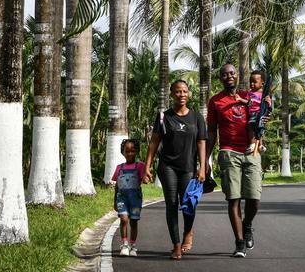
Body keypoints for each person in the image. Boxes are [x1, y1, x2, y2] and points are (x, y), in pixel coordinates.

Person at [207, 63, 269, 258]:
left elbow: (263, 109)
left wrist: (266, 114)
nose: (229, 76)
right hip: (228, 151)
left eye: (232, 73)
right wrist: (205, 160)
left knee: (254, 198)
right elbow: (211, 131)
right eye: (224, 74)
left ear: (237, 75)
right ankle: (239, 242)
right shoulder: (215, 101)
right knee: (233, 198)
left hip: (252, 151)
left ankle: (248, 224)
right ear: (221, 78)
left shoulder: (249, 94)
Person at [143, 80, 207, 260]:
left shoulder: (196, 117)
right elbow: (154, 142)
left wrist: (202, 167)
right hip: (167, 166)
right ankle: (176, 245)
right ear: (172, 94)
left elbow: (201, 142)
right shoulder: (164, 117)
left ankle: (188, 231)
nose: (182, 94)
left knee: (188, 204)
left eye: (185, 91)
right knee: (171, 204)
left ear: (189, 94)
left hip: (188, 167)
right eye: (178, 92)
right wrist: (147, 167)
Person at [112, 138, 144, 257]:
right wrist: (115, 200)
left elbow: (144, 177)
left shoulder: (140, 166)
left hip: (135, 200)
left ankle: (133, 245)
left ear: (137, 152)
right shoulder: (119, 167)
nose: (130, 154)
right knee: (124, 219)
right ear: (123, 152)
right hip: (122, 198)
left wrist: (146, 178)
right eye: (127, 151)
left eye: (133, 151)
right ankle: (124, 244)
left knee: (134, 221)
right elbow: (117, 185)